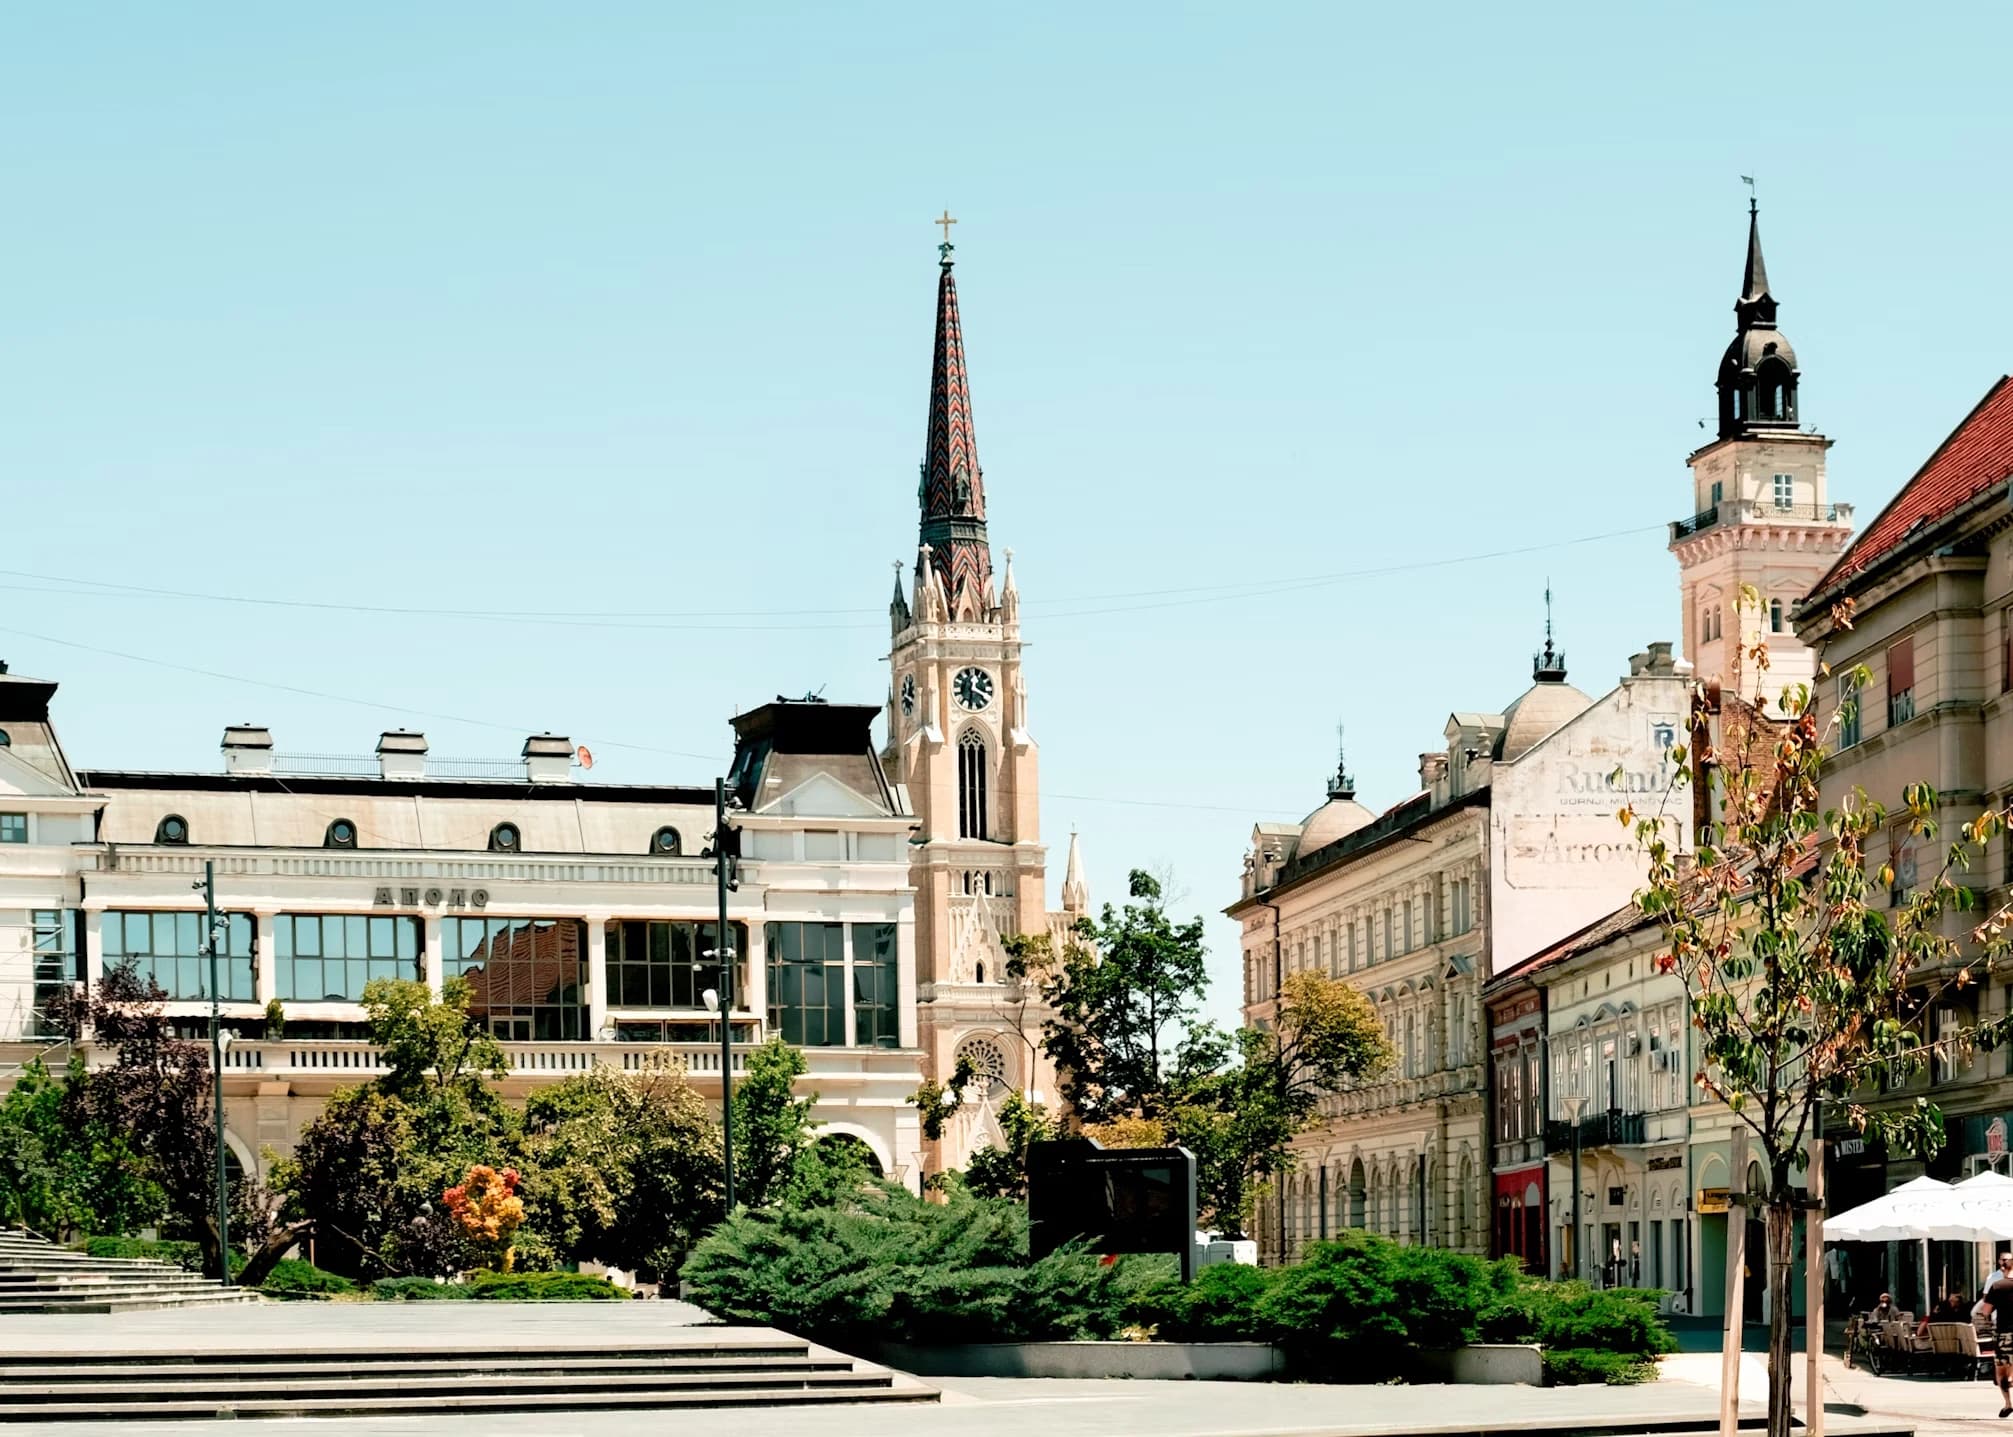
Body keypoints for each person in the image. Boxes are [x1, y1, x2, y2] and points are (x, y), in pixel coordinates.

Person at [1980, 1277, 2013, 1417]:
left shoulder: (1998, 1286)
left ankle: (2008, 1404)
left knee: (2001, 1372)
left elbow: (1985, 1311)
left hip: (2005, 1334)